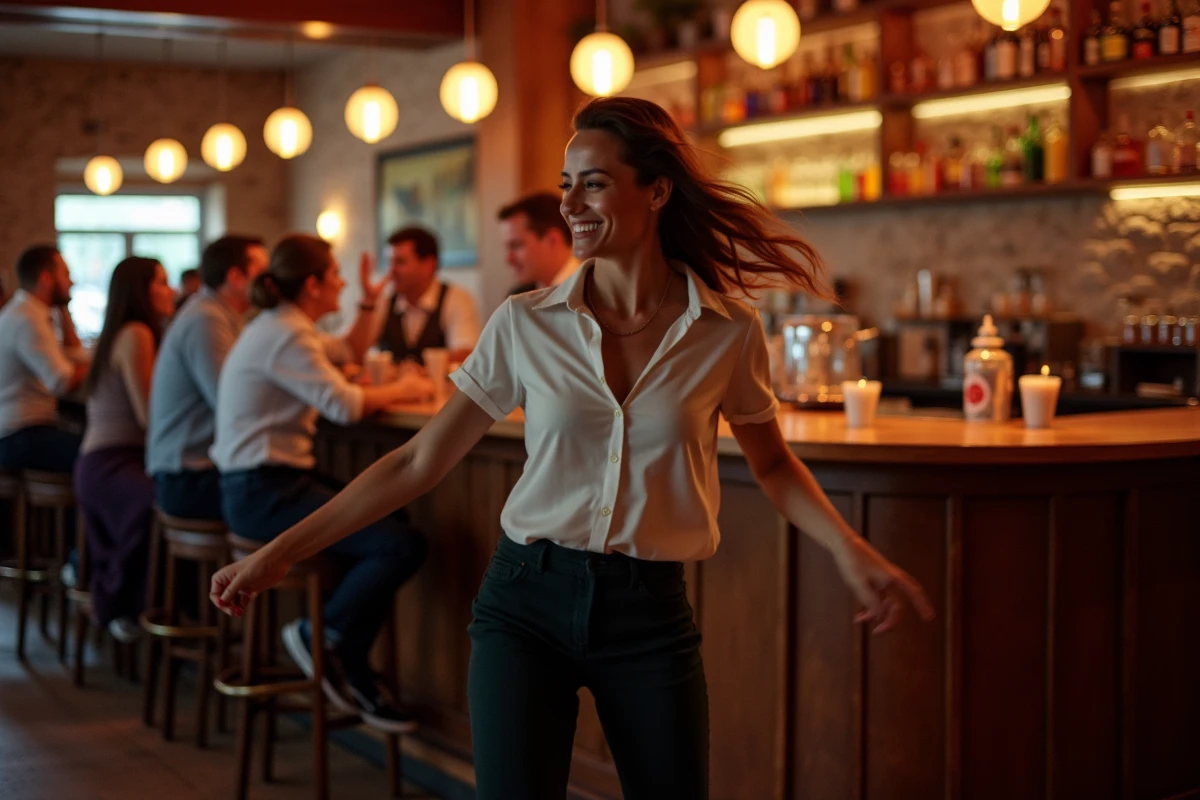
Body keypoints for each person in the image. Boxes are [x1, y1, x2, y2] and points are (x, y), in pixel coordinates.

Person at [210, 98, 934, 799]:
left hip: (649, 613)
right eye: (566, 185)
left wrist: (848, 549)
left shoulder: (727, 329)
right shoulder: (525, 323)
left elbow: (772, 463)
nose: (571, 204)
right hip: (525, 600)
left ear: (656, 191)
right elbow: (416, 462)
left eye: (593, 183)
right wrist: (278, 553)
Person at [211, 234, 432, 732]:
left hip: (263, 484)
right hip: (262, 492)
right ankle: (323, 636)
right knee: (399, 546)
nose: (342, 281)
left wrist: (370, 301)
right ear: (312, 285)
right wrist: (408, 388)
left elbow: (349, 348)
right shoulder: (286, 335)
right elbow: (345, 406)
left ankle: (340, 655)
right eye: (335, 275)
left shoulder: (283, 326)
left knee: (391, 516)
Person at [74, 257, 175, 643]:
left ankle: (117, 600)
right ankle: (116, 602)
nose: (170, 291)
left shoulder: (122, 332)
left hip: (102, 464)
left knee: (165, 501)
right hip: (112, 463)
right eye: (162, 282)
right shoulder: (136, 333)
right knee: (160, 505)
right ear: (141, 290)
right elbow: (149, 416)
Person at [147, 236, 268, 520]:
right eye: (263, 274)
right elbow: (230, 404)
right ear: (236, 277)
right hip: (187, 478)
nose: (271, 283)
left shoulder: (224, 316)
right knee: (313, 512)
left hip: (197, 472)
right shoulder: (207, 319)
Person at [0, 245, 90, 473]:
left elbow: (74, 355)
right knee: (96, 458)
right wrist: (99, 364)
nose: (72, 281)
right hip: (19, 434)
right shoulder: (28, 320)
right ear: (47, 278)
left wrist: (64, 308)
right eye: (66, 274)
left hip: (21, 431)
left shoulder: (29, 312)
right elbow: (62, 382)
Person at [367, 226, 479, 365]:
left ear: (429, 265)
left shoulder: (456, 298)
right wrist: (367, 302)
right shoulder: (384, 301)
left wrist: (415, 371)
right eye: (389, 262)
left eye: (400, 262)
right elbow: (355, 351)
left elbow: (466, 354)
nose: (391, 271)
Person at [499, 191, 579, 295]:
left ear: (552, 240)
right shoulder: (518, 296)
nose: (509, 259)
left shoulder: (592, 294)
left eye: (516, 245)